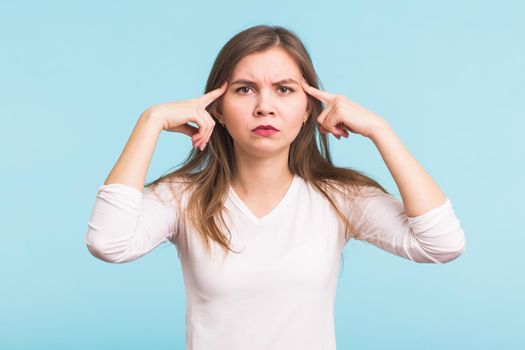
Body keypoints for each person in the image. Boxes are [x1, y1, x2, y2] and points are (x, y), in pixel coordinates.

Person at [85, 24, 466, 350]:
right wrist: (149, 122)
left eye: (284, 89)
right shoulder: (183, 197)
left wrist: (382, 131)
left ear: (307, 109)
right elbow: (109, 243)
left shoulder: (338, 198)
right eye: (245, 89)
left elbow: (443, 244)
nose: (264, 106)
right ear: (216, 107)